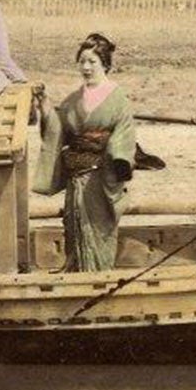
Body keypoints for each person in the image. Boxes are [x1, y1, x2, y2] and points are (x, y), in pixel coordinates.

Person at [33, 33, 138, 272]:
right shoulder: (72, 100)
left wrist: (119, 160)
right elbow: (57, 130)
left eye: (93, 61)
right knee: (74, 226)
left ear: (105, 64)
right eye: (82, 61)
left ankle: (100, 275)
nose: (86, 67)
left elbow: (123, 135)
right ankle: (77, 273)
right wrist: (44, 103)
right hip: (77, 177)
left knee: (98, 231)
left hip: (102, 177)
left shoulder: (118, 98)